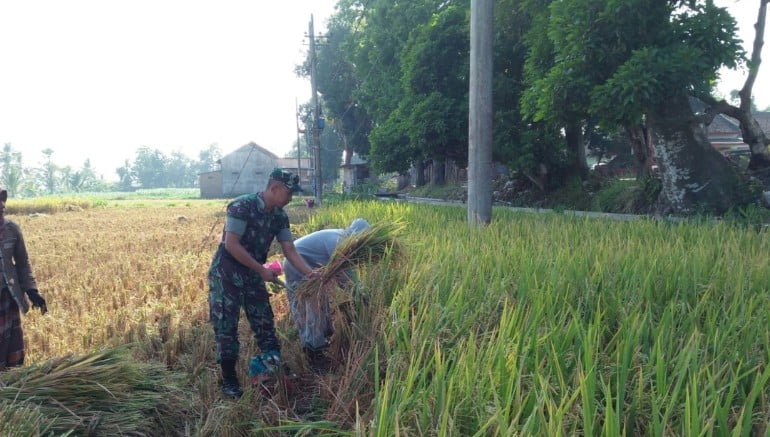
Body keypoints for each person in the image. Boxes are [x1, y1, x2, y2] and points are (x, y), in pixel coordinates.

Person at [208, 168, 317, 398]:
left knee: (264, 321)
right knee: (226, 325)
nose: (291, 198)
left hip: (253, 274)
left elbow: (289, 249)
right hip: (226, 273)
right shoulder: (241, 206)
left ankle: (273, 368)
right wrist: (262, 270)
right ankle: (229, 380)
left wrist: (311, 274)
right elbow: (232, 245)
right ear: (274, 188)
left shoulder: (279, 216)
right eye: (289, 193)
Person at [282, 218, 370, 368]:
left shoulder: (341, 238)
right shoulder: (340, 242)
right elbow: (345, 275)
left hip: (309, 268)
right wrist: (358, 292)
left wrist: (356, 289)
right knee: (311, 310)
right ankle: (314, 354)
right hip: (297, 264)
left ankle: (320, 340)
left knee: (321, 304)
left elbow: (345, 275)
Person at [0, 187, 47, 371]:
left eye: (2, 209)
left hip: (8, 298)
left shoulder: (12, 230)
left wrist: (32, 291)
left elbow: (22, 263)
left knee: (11, 342)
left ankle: (10, 384)